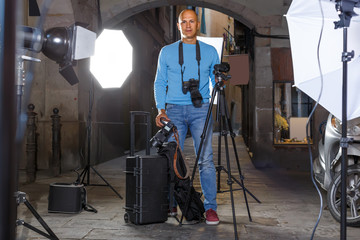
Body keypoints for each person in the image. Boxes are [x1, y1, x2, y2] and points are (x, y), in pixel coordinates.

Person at [154, 9, 220, 225]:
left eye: (192, 21)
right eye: (184, 21)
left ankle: (210, 208)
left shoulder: (210, 51)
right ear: (178, 24)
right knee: (173, 160)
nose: (188, 25)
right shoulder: (167, 51)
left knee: (206, 159)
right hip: (173, 110)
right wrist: (160, 109)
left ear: (197, 23)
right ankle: (172, 202)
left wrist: (220, 80)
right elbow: (160, 81)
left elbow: (215, 80)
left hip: (201, 110)